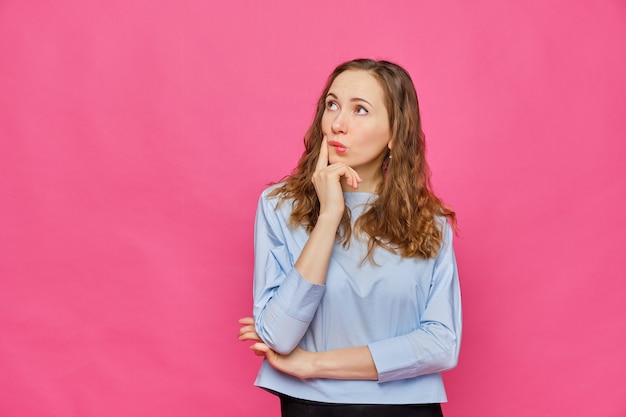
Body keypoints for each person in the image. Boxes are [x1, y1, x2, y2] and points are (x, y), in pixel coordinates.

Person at [238, 58, 461, 417]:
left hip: (409, 408)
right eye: (332, 105)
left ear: (394, 133)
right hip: (310, 408)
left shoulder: (430, 222)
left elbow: (440, 345)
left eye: (360, 110)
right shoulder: (279, 206)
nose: (338, 124)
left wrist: (313, 365)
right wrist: (329, 217)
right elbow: (279, 336)